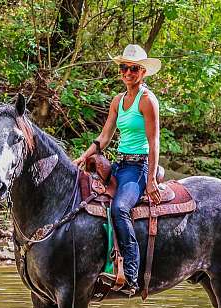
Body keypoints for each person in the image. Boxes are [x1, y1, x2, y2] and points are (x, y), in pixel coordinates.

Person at [73, 44, 162, 294]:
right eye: (124, 68)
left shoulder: (147, 101)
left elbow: (154, 141)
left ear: (143, 72)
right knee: (90, 200)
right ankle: (100, 265)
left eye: (134, 69)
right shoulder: (118, 100)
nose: (128, 73)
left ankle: (131, 274)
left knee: (120, 208)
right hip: (120, 164)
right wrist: (82, 158)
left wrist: (151, 178)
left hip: (139, 166)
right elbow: (104, 137)